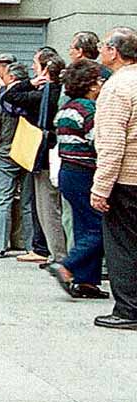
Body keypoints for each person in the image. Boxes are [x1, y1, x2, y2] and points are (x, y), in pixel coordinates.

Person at [48, 58, 109, 299]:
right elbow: (98, 142)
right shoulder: (90, 110)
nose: (102, 84)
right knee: (101, 227)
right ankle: (67, 265)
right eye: (99, 80)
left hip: (68, 172)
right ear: (91, 85)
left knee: (84, 225)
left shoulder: (66, 108)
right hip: (85, 172)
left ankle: (87, 282)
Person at [2, 49, 68, 265]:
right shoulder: (61, 92)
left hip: (45, 155)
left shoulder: (42, 95)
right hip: (57, 155)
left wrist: (30, 83)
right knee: (53, 206)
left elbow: (8, 96)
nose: (32, 67)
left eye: (35, 64)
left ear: (45, 69)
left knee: (47, 206)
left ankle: (57, 254)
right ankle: (54, 251)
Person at [91, 27, 137, 330]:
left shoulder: (117, 87)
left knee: (122, 246)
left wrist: (100, 188)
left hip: (127, 179)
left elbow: (111, 144)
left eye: (103, 46)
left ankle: (127, 310)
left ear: (113, 51)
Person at [0, 61, 30, 257]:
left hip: (3, 154)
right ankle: (28, 245)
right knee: (26, 202)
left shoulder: (1, 98)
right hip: (26, 154)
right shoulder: (31, 97)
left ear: (11, 77)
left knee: (2, 200)